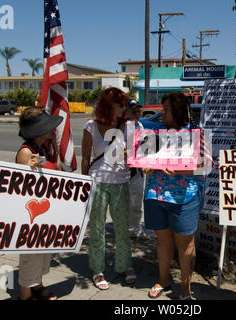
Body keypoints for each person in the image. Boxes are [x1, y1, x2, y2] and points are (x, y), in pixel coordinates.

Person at [143, 92, 205, 300]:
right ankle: (163, 280)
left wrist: (183, 170)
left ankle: (186, 288)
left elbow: (206, 165)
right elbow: (144, 161)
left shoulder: (196, 133)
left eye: (166, 110)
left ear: (178, 110)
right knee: (162, 242)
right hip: (156, 195)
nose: (163, 114)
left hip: (184, 199)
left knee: (185, 244)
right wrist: (147, 167)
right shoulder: (155, 133)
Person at [81, 87, 136, 290]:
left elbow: (133, 158)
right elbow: (85, 158)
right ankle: (97, 269)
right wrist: (83, 184)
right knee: (97, 228)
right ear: (108, 105)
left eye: (125, 104)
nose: (124, 108)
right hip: (97, 181)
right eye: (120, 104)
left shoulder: (128, 126)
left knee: (122, 228)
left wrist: (130, 155)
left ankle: (125, 265)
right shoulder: (91, 126)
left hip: (121, 182)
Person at [16, 106, 63, 300]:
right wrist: (30, 167)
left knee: (43, 253)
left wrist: (55, 145)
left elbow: (58, 169)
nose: (52, 130)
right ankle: (25, 295)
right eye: (49, 128)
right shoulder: (26, 152)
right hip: (30, 214)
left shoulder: (44, 148)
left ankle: (38, 286)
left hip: (45, 209)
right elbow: (20, 184)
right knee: (30, 256)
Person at [124, 100, 152, 239]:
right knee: (123, 202)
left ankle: (135, 229)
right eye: (133, 111)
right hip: (123, 170)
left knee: (136, 200)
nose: (137, 114)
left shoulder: (140, 126)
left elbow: (144, 147)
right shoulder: (121, 127)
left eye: (138, 111)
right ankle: (123, 230)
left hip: (138, 169)